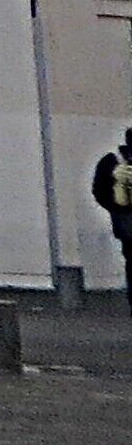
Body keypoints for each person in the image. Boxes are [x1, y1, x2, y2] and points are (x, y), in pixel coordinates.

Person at [94, 126, 132, 315]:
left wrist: (116, 209)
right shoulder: (112, 162)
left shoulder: (112, 161)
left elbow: (99, 192)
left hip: (127, 226)